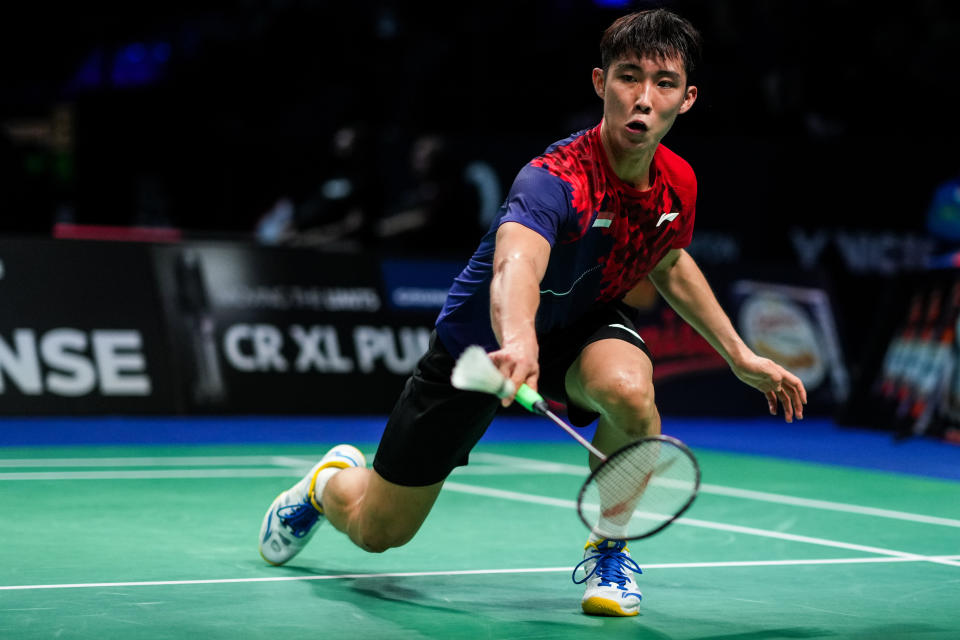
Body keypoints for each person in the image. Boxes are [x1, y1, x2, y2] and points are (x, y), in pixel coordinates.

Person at [258, 9, 807, 617]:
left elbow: (669, 260)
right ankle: (324, 483)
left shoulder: (678, 183)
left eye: (664, 83)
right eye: (629, 77)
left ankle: (611, 549)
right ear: (600, 83)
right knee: (378, 531)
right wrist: (518, 340)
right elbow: (514, 266)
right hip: (480, 347)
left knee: (629, 391)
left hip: (581, 323)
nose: (644, 99)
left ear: (688, 97)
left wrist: (740, 354)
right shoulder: (554, 181)